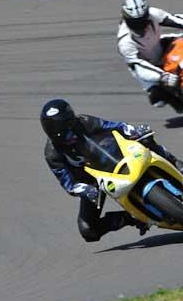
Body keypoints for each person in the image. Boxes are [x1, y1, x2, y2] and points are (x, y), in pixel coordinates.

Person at [41, 98, 183, 242]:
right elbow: (68, 183)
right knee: (88, 230)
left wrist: (133, 130)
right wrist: (84, 190)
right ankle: (132, 218)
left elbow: (114, 126)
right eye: (58, 132)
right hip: (94, 182)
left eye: (68, 128)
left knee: (146, 139)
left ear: (72, 120)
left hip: (115, 156)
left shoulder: (84, 121)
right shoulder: (52, 154)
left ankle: (176, 163)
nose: (67, 136)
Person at [117, 0, 183, 107]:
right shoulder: (125, 42)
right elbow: (139, 67)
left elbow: (175, 20)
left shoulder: (153, 13)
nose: (139, 25)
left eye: (142, 20)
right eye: (134, 22)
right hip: (147, 67)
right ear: (125, 19)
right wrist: (162, 76)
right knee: (158, 101)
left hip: (162, 46)